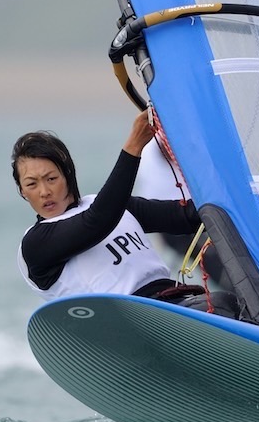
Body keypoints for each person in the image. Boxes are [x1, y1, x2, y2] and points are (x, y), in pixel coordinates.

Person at [13, 110, 237, 317]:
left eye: (51, 179)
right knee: (222, 306)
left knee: (230, 303)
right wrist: (133, 147)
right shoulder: (35, 244)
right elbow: (97, 223)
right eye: (31, 184)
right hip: (122, 320)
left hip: (173, 305)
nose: (44, 192)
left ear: (68, 174)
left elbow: (187, 216)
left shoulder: (111, 207)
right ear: (22, 191)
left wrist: (236, 191)